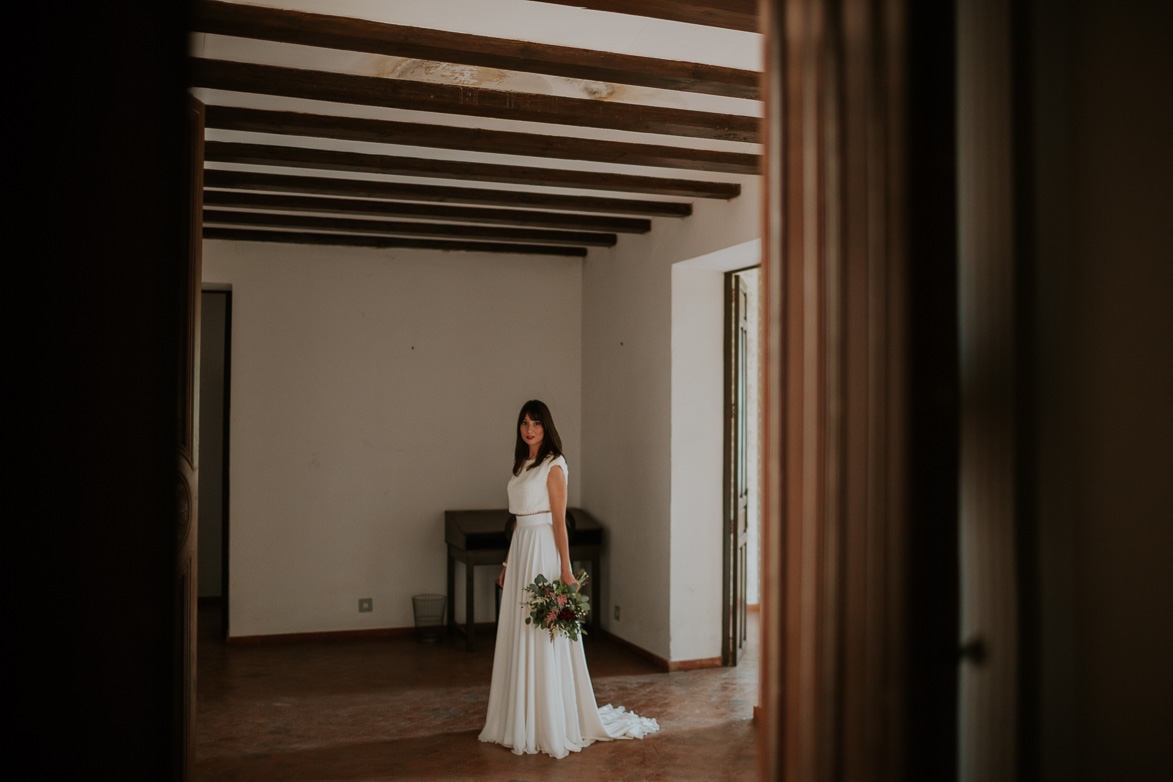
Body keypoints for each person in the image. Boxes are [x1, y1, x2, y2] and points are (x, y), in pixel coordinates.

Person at [478, 399, 659, 758]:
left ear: (547, 428)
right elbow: (518, 521)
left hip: (544, 552)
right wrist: (505, 564)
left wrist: (565, 568)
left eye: (536, 423)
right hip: (521, 549)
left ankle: (549, 720)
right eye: (524, 423)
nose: (529, 429)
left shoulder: (553, 465)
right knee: (520, 630)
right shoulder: (521, 465)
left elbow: (558, 521)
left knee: (543, 632)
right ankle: (519, 717)